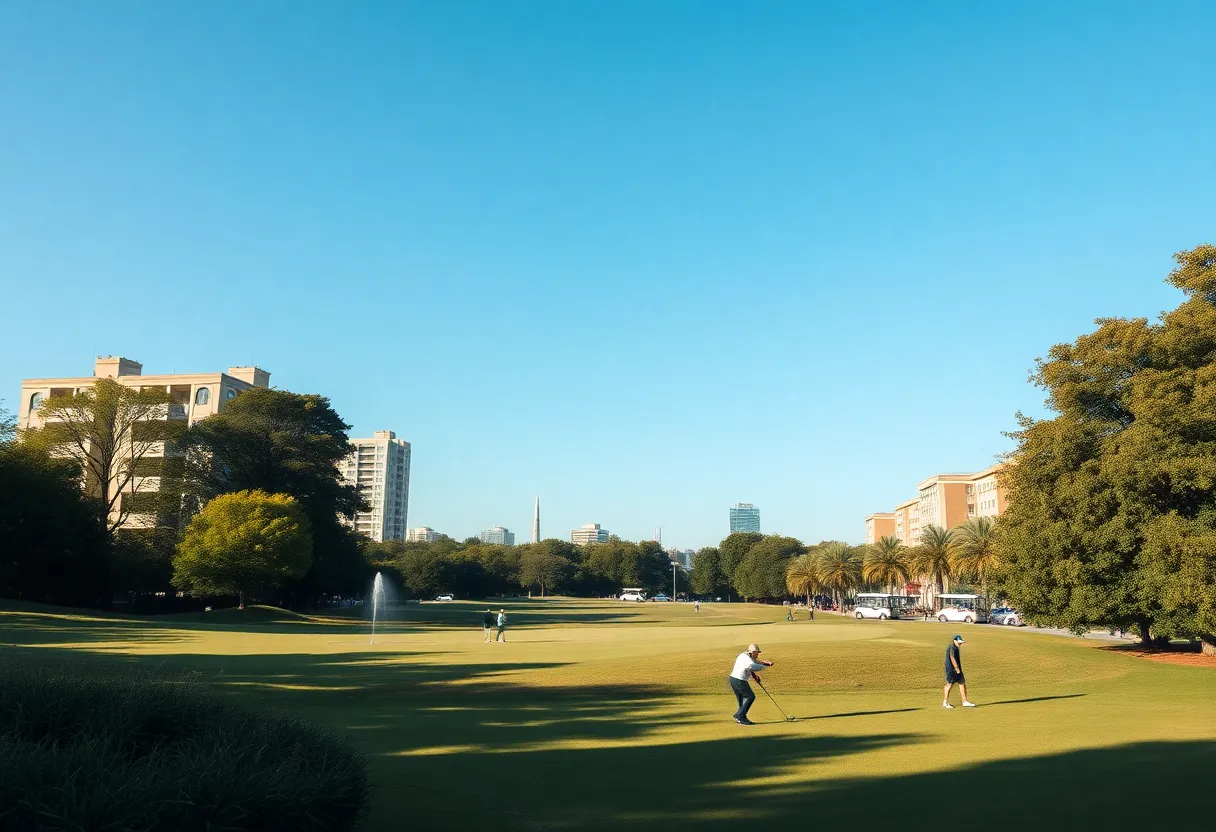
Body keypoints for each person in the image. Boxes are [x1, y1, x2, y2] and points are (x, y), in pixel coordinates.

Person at [728, 643, 774, 725]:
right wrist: (764, 666)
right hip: (739, 680)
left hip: (734, 679)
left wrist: (755, 675)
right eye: (756, 653)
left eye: (758, 653)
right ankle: (740, 716)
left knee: (742, 699)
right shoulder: (745, 657)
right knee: (750, 696)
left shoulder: (747, 656)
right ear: (751, 652)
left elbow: (753, 663)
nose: (757, 654)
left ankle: (740, 716)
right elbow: (750, 665)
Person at [943, 634, 975, 708]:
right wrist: (957, 668)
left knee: (962, 683)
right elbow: (952, 658)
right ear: (955, 641)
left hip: (957, 670)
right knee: (949, 684)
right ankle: (945, 702)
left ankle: (965, 701)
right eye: (959, 642)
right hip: (951, 670)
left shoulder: (956, 648)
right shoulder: (952, 647)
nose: (960, 643)